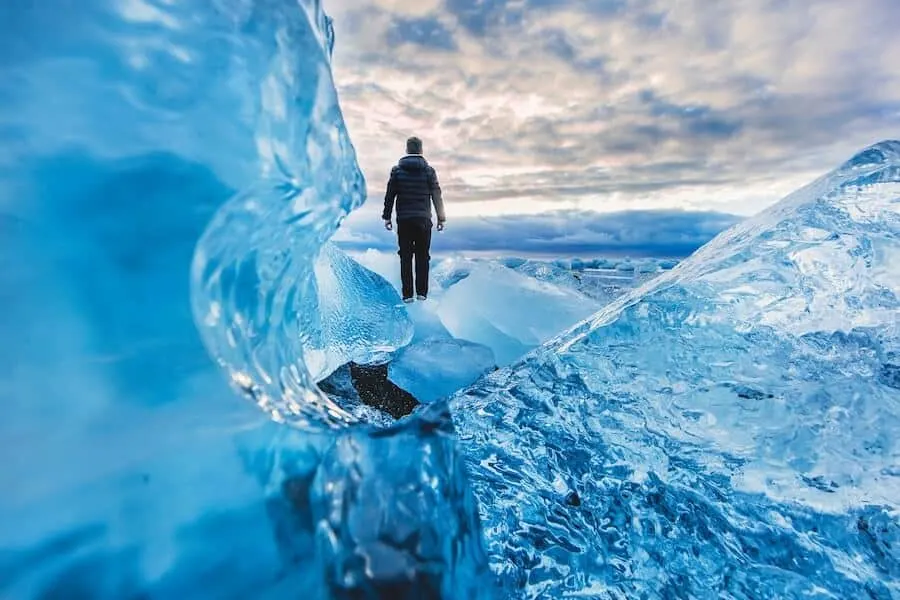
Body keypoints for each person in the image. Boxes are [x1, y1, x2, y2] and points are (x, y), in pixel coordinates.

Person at [382, 136, 446, 303]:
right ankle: (422, 294)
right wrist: (441, 218)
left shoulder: (397, 171)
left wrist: (387, 217)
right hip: (423, 220)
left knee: (405, 257)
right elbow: (436, 195)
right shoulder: (429, 171)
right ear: (421, 150)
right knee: (423, 256)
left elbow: (390, 195)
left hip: (404, 220)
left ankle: (407, 295)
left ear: (407, 149)